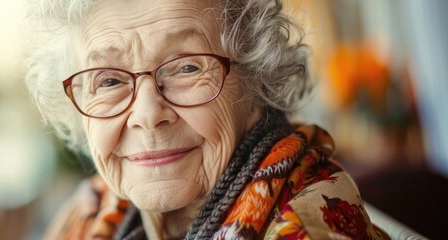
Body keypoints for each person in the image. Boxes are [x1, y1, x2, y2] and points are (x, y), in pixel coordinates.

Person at [24, 0, 388, 239]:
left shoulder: (306, 228)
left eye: (186, 67)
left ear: (256, 79)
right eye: (109, 80)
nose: (148, 115)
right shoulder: (88, 214)